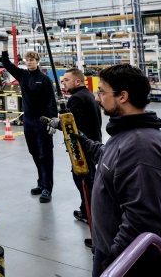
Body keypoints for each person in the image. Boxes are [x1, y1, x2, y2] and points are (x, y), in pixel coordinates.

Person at [76, 64, 161, 276]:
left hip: (131, 263)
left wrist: (114, 261)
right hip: (112, 251)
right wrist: (84, 142)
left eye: (102, 92)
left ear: (122, 96)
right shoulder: (127, 134)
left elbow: (141, 220)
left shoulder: (140, 147)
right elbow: (110, 157)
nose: (98, 98)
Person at [0, 45, 58, 203]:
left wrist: (53, 120)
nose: (30, 62)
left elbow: (51, 101)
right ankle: (41, 183)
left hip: (42, 121)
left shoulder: (45, 79)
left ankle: (47, 188)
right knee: (34, 153)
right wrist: (5, 46)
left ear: (37, 61)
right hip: (28, 122)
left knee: (45, 155)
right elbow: (6, 63)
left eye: (32, 60)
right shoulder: (23, 75)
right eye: (27, 60)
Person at [57, 69, 102, 226]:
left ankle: (91, 215)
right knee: (90, 180)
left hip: (83, 148)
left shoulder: (75, 99)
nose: (64, 82)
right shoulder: (89, 95)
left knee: (83, 181)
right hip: (94, 143)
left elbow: (74, 127)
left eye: (67, 80)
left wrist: (58, 123)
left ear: (78, 81)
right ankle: (86, 211)